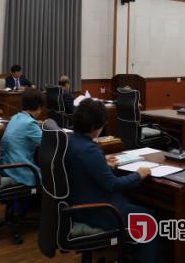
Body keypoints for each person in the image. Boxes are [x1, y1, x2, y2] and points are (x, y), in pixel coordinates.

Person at [66, 98, 159, 262]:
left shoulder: (71, 141)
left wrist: (103, 163)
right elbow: (113, 184)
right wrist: (138, 174)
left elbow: (84, 168)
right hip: (97, 211)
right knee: (147, 219)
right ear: (95, 127)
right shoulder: (90, 150)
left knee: (140, 206)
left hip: (80, 204)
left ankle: (128, 254)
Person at [0, 88, 43, 187]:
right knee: (50, 179)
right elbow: (47, 143)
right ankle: (14, 181)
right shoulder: (30, 123)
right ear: (38, 107)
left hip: (4, 166)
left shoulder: (15, 117)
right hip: (19, 170)